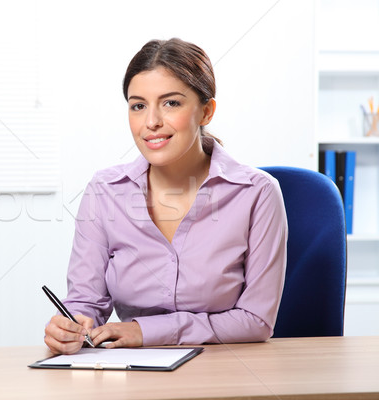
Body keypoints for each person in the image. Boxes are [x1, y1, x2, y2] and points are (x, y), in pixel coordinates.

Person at [44, 38, 287, 355]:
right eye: (138, 105)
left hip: (225, 369)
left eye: (171, 103)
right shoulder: (104, 191)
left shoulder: (257, 193)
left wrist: (145, 331)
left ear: (206, 111)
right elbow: (87, 301)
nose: (151, 122)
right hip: (132, 373)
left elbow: (256, 321)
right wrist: (72, 325)